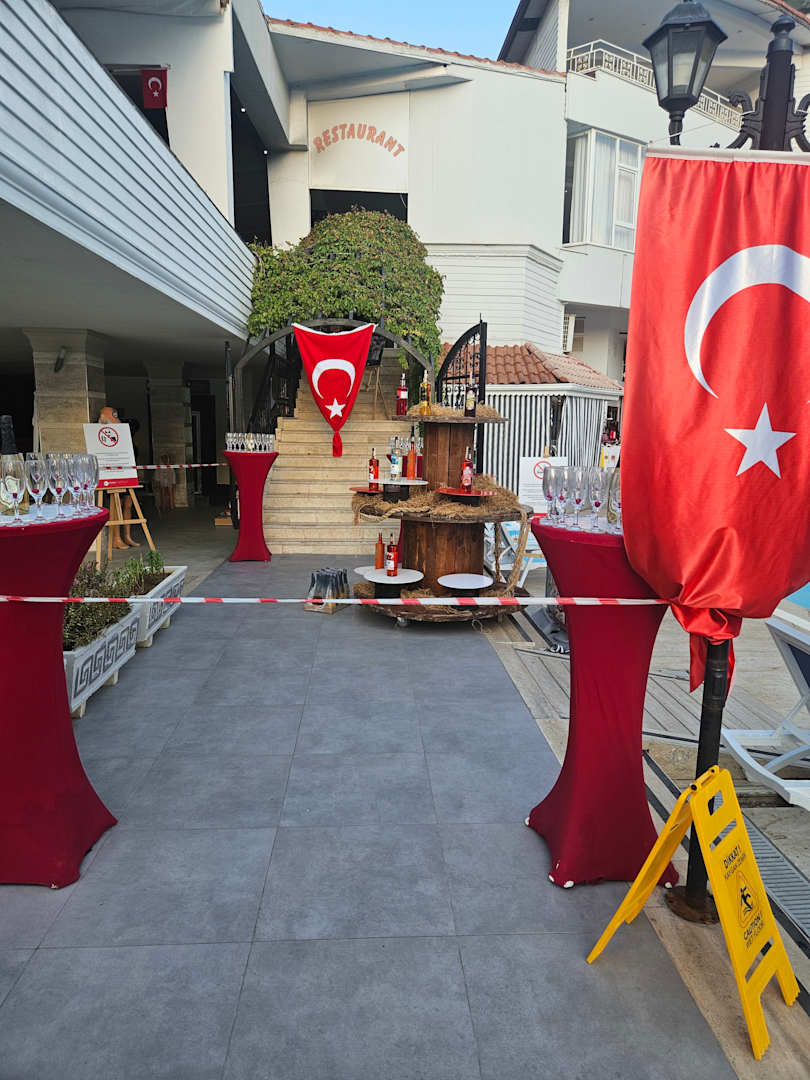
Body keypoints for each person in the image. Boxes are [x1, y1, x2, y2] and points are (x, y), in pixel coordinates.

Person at [98, 406, 141, 549]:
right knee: (116, 505)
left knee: (128, 504)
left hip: (128, 473)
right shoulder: (103, 433)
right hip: (112, 475)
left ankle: (127, 536)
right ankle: (116, 538)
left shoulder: (124, 432)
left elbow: (134, 424)